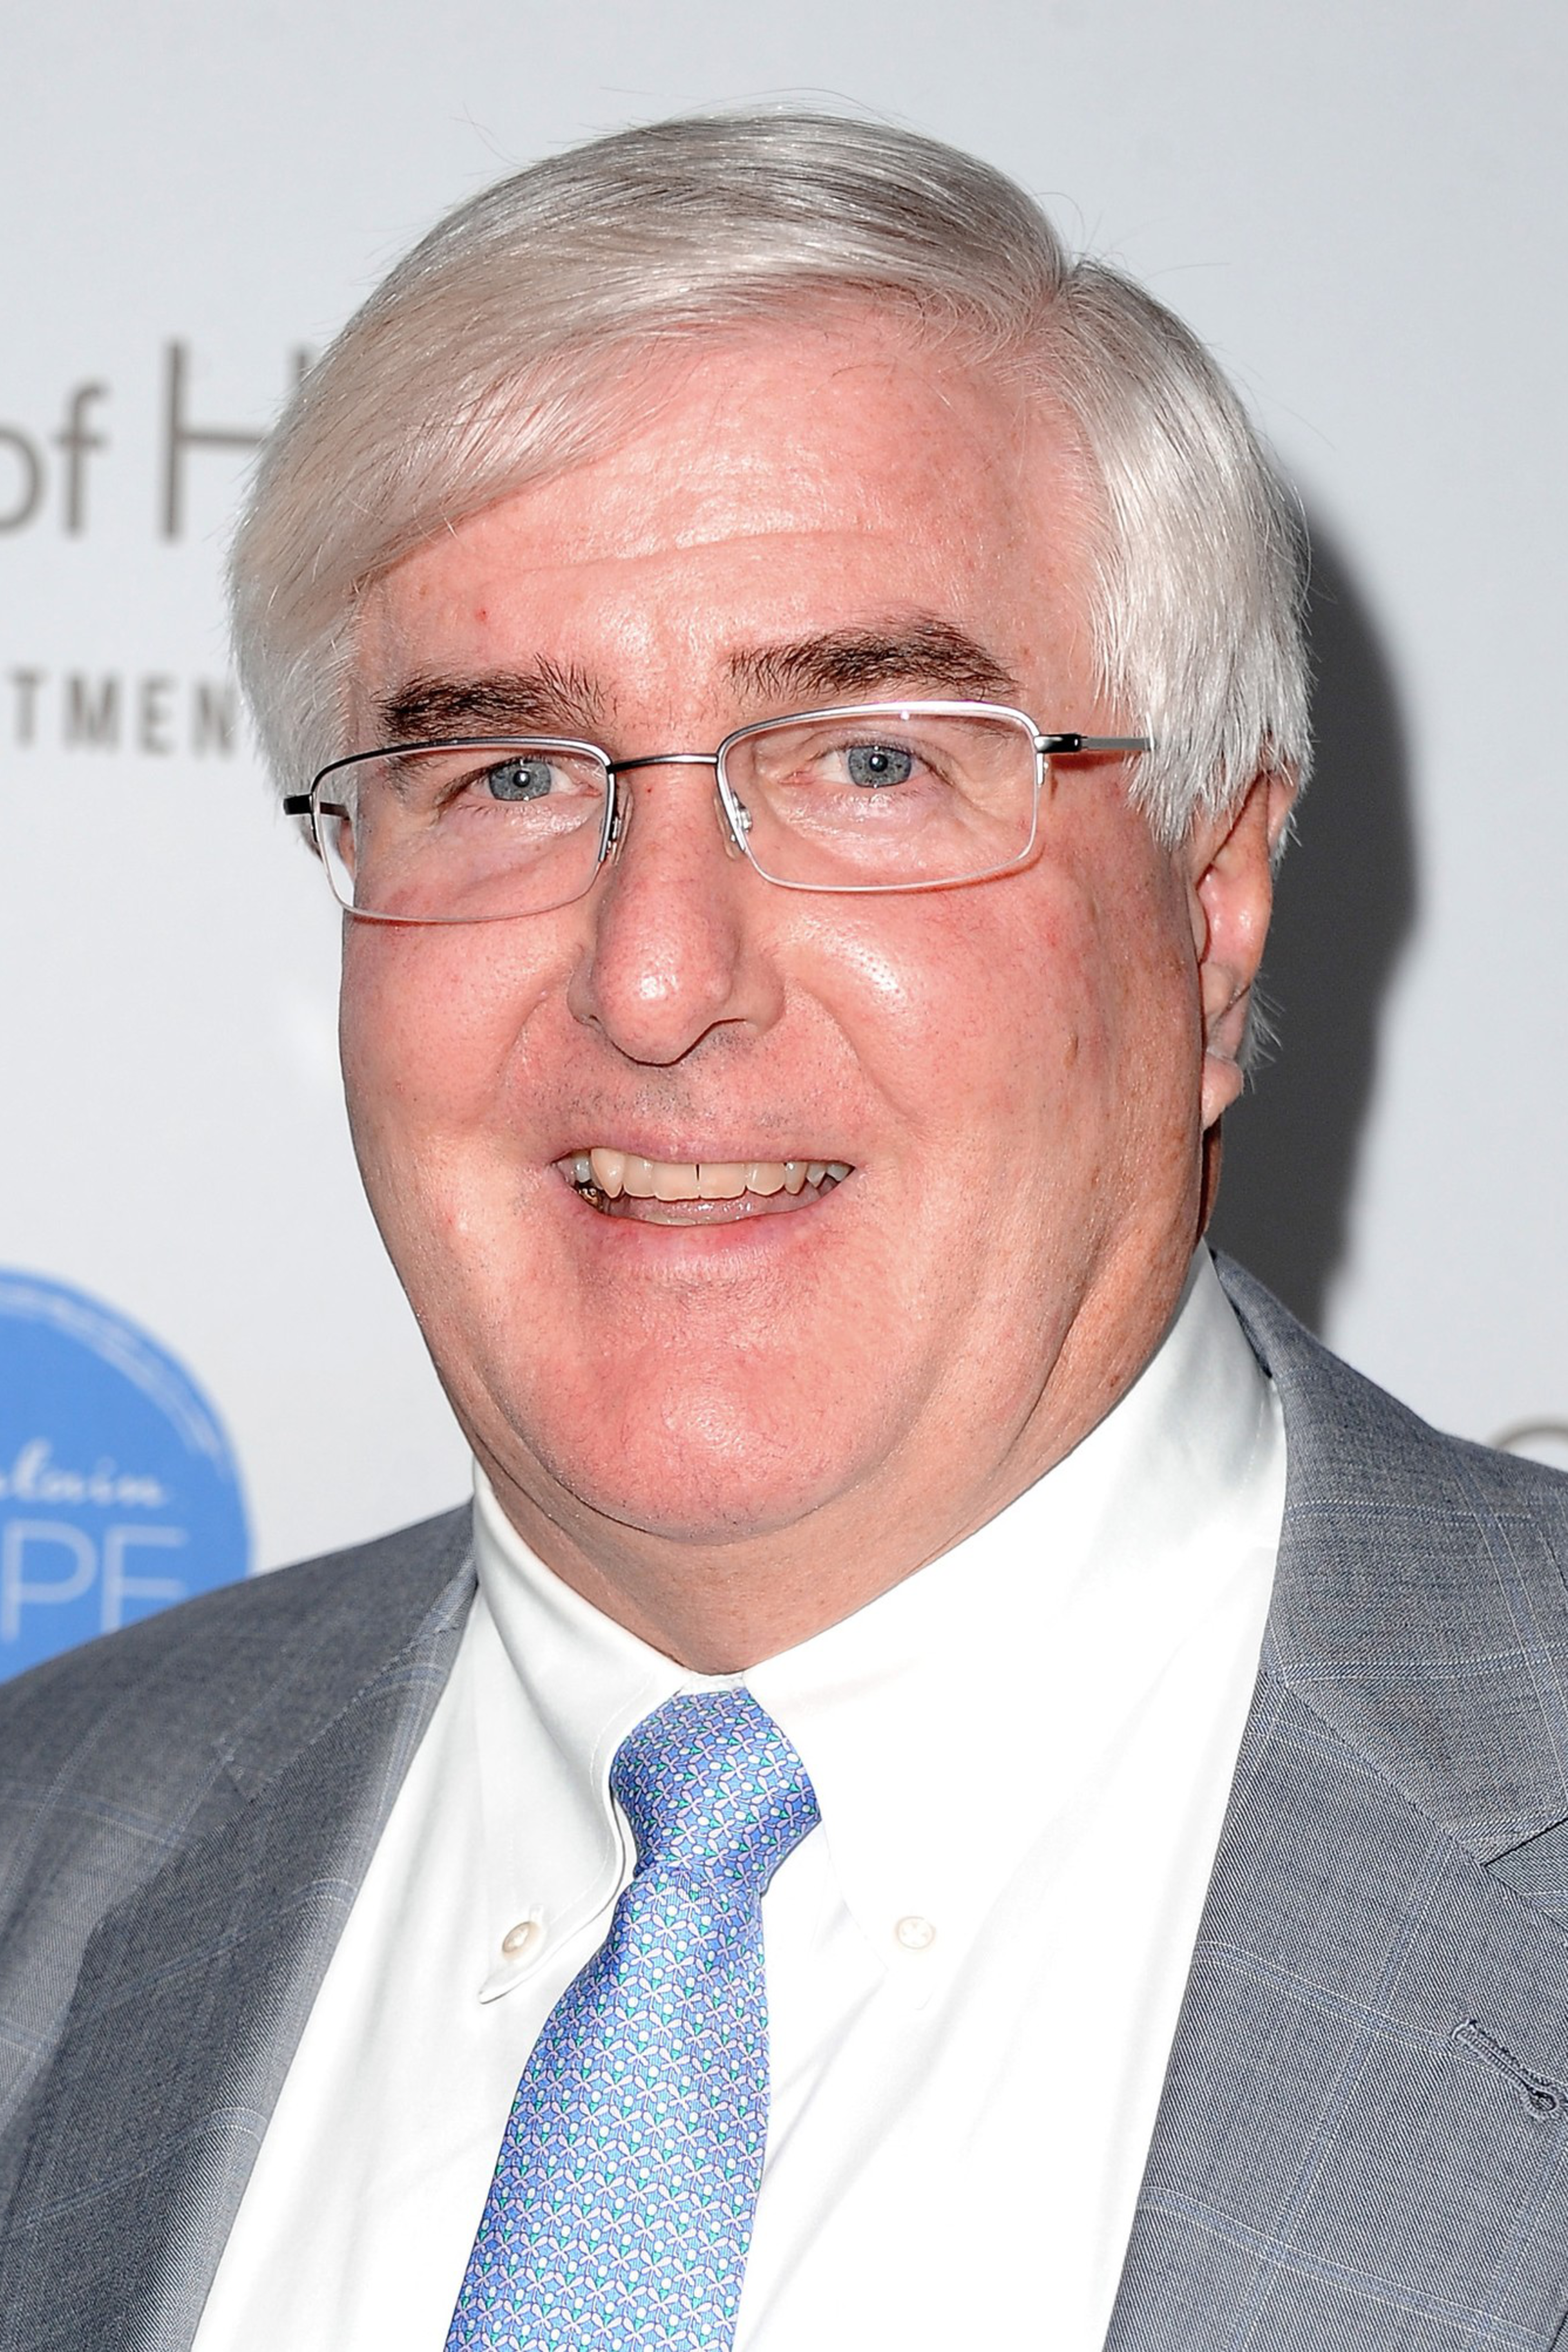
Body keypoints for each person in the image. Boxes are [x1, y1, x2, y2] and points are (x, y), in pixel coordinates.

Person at [3, 111, 1567, 2352]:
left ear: (1213, 917)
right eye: (508, 774)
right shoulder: (40, 1868)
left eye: (868, 762)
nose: (656, 979)